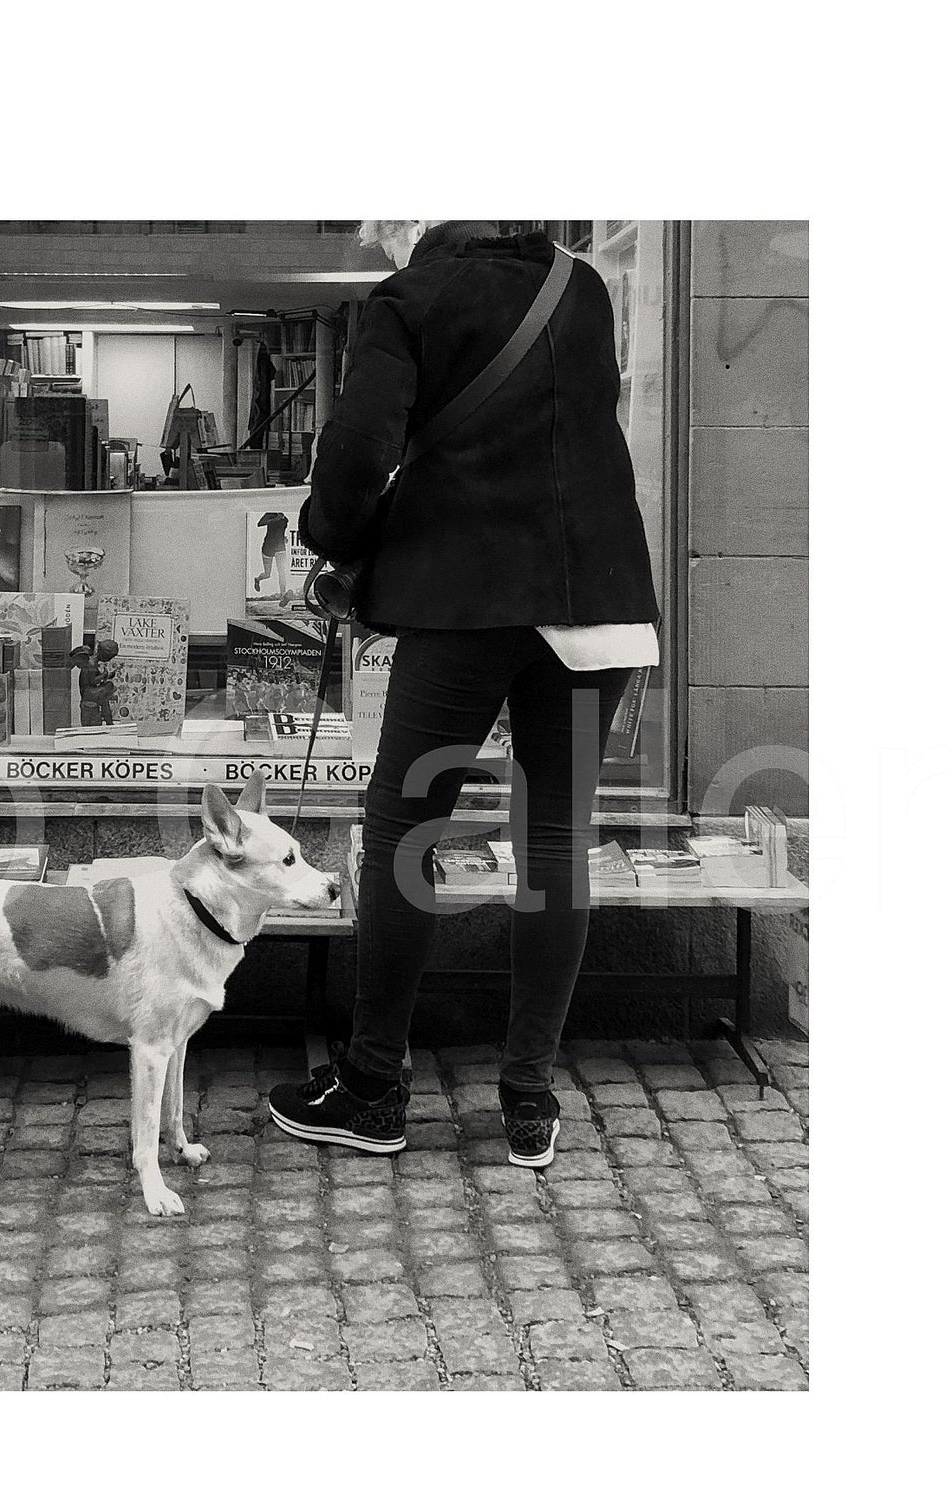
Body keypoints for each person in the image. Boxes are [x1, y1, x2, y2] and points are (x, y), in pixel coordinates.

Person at [267, 220, 660, 1169]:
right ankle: (528, 1097)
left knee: (405, 827)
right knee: (555, 839)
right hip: (592, 604)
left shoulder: (408, 301)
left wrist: (329, 533)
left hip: (465, 601)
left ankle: (372, 1086)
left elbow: (358, 458)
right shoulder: (585, 287)